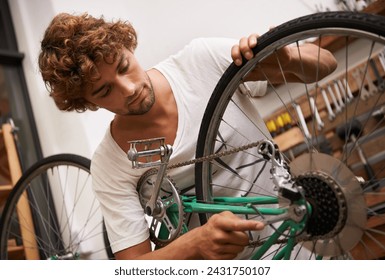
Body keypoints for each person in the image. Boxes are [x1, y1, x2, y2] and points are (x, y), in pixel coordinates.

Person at [38, 13, 337, 260]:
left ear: (128, 47)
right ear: (88, 103)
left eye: (124, 66)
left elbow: (326, 63)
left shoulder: (200, 62)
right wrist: (196, 242)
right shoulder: (110, 163)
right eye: (105, 91)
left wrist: (289, 58)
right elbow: (133, 267)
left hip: (311, 236)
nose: (128, 89)